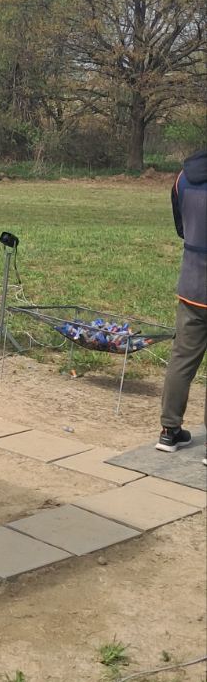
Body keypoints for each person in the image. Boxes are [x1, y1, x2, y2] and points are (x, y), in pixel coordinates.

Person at [156, 147, 207, 459]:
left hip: (191, 285)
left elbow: (181, 229)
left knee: (181, 361)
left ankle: (169, 430)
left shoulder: (183, 178)